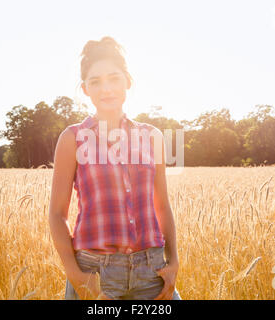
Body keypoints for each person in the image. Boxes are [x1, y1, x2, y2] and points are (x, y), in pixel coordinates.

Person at [48, 36, 181, 300]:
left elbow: (162, 205)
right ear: (85, 88)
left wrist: (173, 261)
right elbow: (56, 214)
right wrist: (77, 277)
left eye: (113, 78)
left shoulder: (152, 136)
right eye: (95, 81)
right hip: (96, 275)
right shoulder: (72, 138)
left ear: (127, 81)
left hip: (151, 273)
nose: (105, 88)